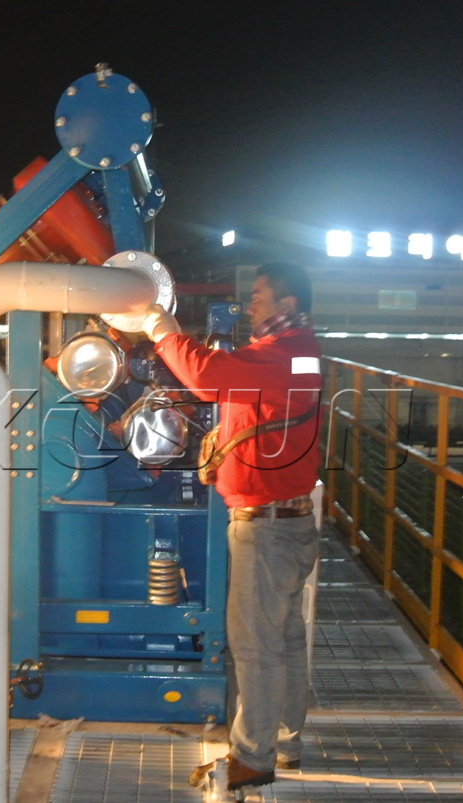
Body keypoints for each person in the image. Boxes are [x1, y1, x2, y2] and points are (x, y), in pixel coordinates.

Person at [140, 262, 322, 792]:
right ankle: (285, 741)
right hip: (285, 521)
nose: (249, 308)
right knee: (285, 640)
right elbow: (228, 384)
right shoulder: (296, 351)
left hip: (265, 528)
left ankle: (252, 757)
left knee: (254, 645)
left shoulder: (283, 354)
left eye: (260, 298)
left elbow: (205, 378)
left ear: (286, 306)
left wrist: (162, 332)